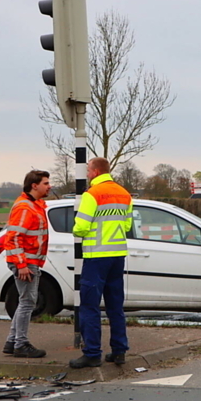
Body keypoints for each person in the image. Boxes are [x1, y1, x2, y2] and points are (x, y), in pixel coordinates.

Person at [70, 157, 134, 368]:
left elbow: (81, 227)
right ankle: (119, 351)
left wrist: (76, 229)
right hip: (117, 256)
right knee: (115, 306)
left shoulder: (92, 194)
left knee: (90, 306)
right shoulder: (124, 194)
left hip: (96, 257)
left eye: (89, 170)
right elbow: (127, 226)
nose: (88, 174)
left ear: (96, 172)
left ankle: (92, 353)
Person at [1, 170, 52, 358]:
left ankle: (12, 341)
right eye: (46, 183)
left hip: (28, 261)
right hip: (26, 262)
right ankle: (20, 344)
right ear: (34, 185)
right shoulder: (25, 208)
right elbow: (13, 238)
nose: (49, 186)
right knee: (28, 303)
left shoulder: (34, 205)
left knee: (25, 301)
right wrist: (21, 265)